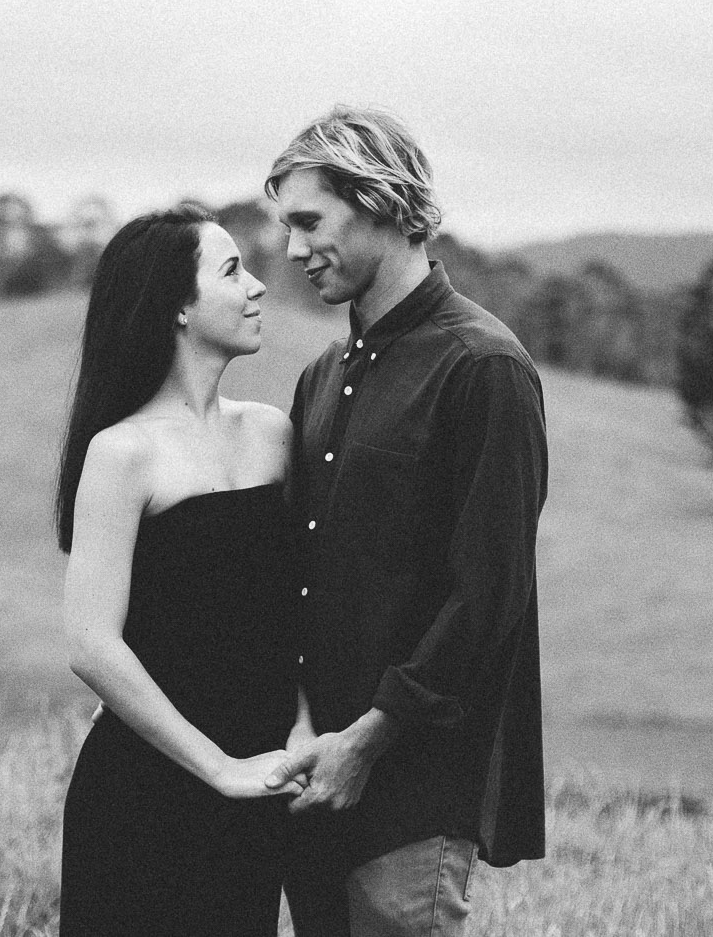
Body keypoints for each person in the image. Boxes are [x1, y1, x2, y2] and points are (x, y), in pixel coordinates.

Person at [263, 106, 549, 936]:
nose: (291, 248)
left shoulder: (485, 368)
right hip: (311, 775)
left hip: (413, 788)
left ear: (381, 201)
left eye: (309, 221)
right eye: (285, 226)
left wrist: (369, 740)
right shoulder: (320, 377)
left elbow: (488, 594)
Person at [56, 204, 312, 936]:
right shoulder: (122, 452)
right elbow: (92, 645)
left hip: (259, 790)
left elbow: (286, 611)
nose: (259, 286)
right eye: (233, 270)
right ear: (176, 304)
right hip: (145, 796)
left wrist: (299, 726)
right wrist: (219, 767)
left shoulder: (272, 435)